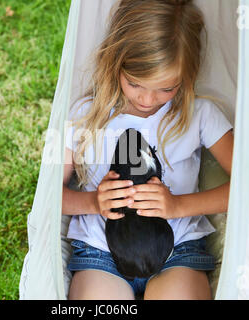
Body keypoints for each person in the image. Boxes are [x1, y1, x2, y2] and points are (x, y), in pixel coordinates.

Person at [62, 0, 233, 300]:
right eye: (135, 83)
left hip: (178, 252)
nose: (148, 99)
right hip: (100, 254)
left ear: (187, 77)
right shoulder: (85, 114)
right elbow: (49, 196)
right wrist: (93, 202)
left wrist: (179, 206)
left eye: (167, 88)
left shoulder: (199, 114)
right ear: (116, 63)